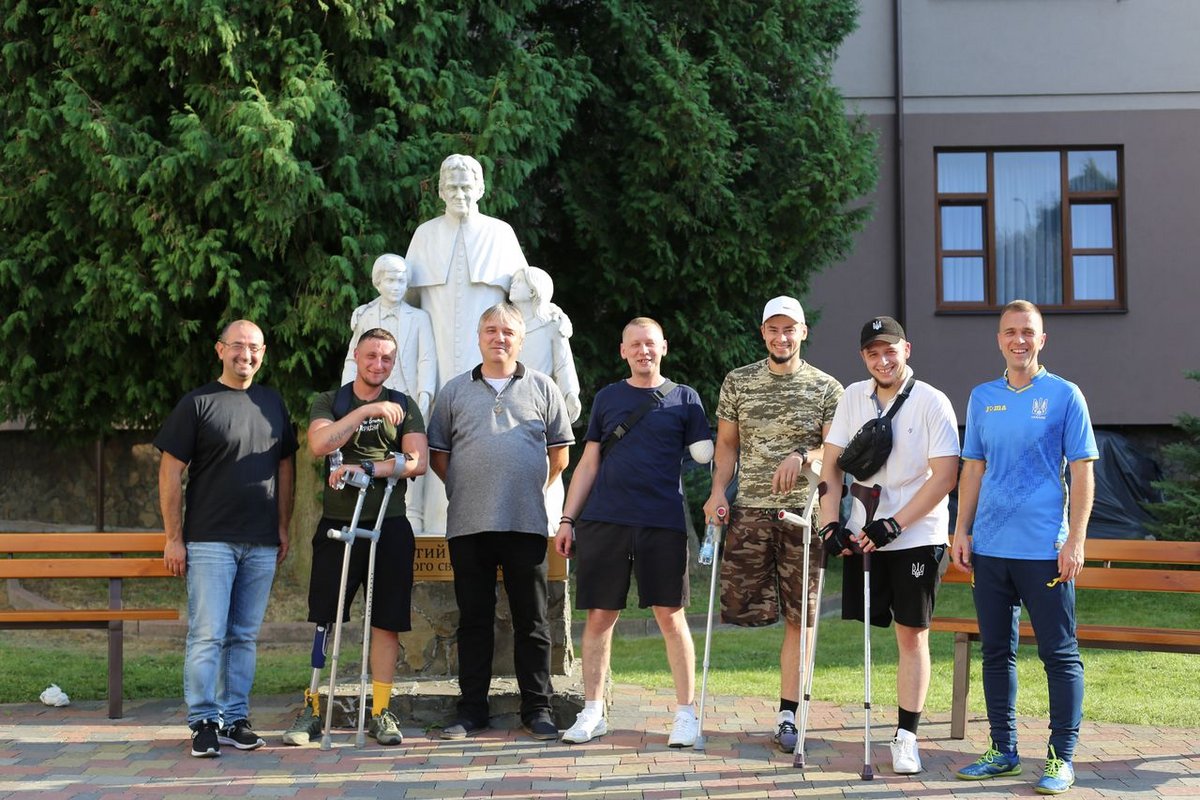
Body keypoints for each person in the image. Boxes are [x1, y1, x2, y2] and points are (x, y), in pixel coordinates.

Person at [951, 300, 1097, 795]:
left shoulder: (1064, 395)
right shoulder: (981, 396)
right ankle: (1003, 750)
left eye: (1028, 332)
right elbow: (972, 468)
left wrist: (1075, 538)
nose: (1019, 340)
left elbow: (1082, 470)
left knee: (1059, 655)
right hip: (990, 550)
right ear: (999, 339)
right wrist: (961, 529)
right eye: (1011, 332)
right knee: (997, 653)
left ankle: (1061, 757)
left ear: (1042, 339)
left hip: (1045, 551)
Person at [554, 318, 713, 748]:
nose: (644, 351)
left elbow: (705, 454)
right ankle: (592, 712)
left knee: (670, 616)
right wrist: (568, 518)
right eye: (635, 345)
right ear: (622, 350)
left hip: (662, 522)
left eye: (651, 343)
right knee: (600, 616)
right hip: (605, 520)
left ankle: (684, 714)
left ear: (663, 347)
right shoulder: (608, 397)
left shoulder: (686, 398)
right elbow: (588, 463)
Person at [817, 316, 960, 775]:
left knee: (912, 633)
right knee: (868, 633)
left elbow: (944, 477)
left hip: (917, 535)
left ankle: (906, 736)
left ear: (907, 349)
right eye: (873, 352)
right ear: (864, 357)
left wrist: (895, 525)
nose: (883, 359)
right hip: (862, 532)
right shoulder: (851, 398)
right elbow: (832, 467)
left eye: (890, 349)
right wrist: (828, 523)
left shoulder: (932, 402)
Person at [426, 302, 574, 742]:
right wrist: (472, 488)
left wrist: (525, 489)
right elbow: (438, 456)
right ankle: (472, 710)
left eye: (508, 331)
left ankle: (538, 709)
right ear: (479, 337)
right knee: (474, 619)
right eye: (491, 330)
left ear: (521, 339)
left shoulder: (543, 387)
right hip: (468, 525)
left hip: (526, 523)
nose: (499, 338)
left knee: (532, 620)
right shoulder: (453, 392)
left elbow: (560, 455)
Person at [702, 296, 843, 753]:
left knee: (800, 620)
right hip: (750, 512)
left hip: (802, 517)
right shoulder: (739, 382)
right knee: (741, 607)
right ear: (763, 333)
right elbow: (726, 445)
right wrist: (719, 491)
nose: (781, 338)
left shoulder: (826, 388)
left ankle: (789, 715)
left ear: (803, 332)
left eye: (790, 329)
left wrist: (803, 456)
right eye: (773, 330)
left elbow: (834, 454)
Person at [155, 320, 297, 758]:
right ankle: (203, 721)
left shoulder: (272, 402)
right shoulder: (197, 403)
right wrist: (173, 537)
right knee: (208, 634)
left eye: (254, 347)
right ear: (220, 350)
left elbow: (286, 468)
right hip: (210, 540)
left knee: (244, 637)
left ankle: (236, 719)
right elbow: (170, 471)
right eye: (238, 346)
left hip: (260, 542)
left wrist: (283, 527)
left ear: (264, 352)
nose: (246, 355)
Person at [282, 328, 429, 747]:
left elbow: (416, 462)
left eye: (386, 358)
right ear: (356, 355)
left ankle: (381, 711)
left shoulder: (404, 406)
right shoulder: (332, 402)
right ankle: (311, 708)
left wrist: (367, 469)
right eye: (371, 356)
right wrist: (367, 413)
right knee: (326, 618)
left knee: (386, 621)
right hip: (337, 525)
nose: (378, 364)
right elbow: (318, 443)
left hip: (389, 524)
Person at [405, 154, 530, 535]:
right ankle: (422, 520)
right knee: (430, 421)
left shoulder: (500, 233)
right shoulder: (426, 235)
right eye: (452, 187)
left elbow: (526, 296)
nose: (459, 193)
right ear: (441, 191)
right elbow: (405, 298)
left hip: (488, 361)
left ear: (480, 189)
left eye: (466, 186)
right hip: (436, 351)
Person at [342, 253, 436, 531]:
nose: (396, 286)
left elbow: (427, 358)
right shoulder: (366, 315)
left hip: (405, 394)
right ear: (378, 283)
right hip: (369, 397)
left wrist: (426, 392)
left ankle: (414, 513)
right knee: (366, 449)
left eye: (401, 281)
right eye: (390, 280)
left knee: (413, 453)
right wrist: (347, 396)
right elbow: (352, 357)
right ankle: (364, 506)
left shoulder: (420, 318)